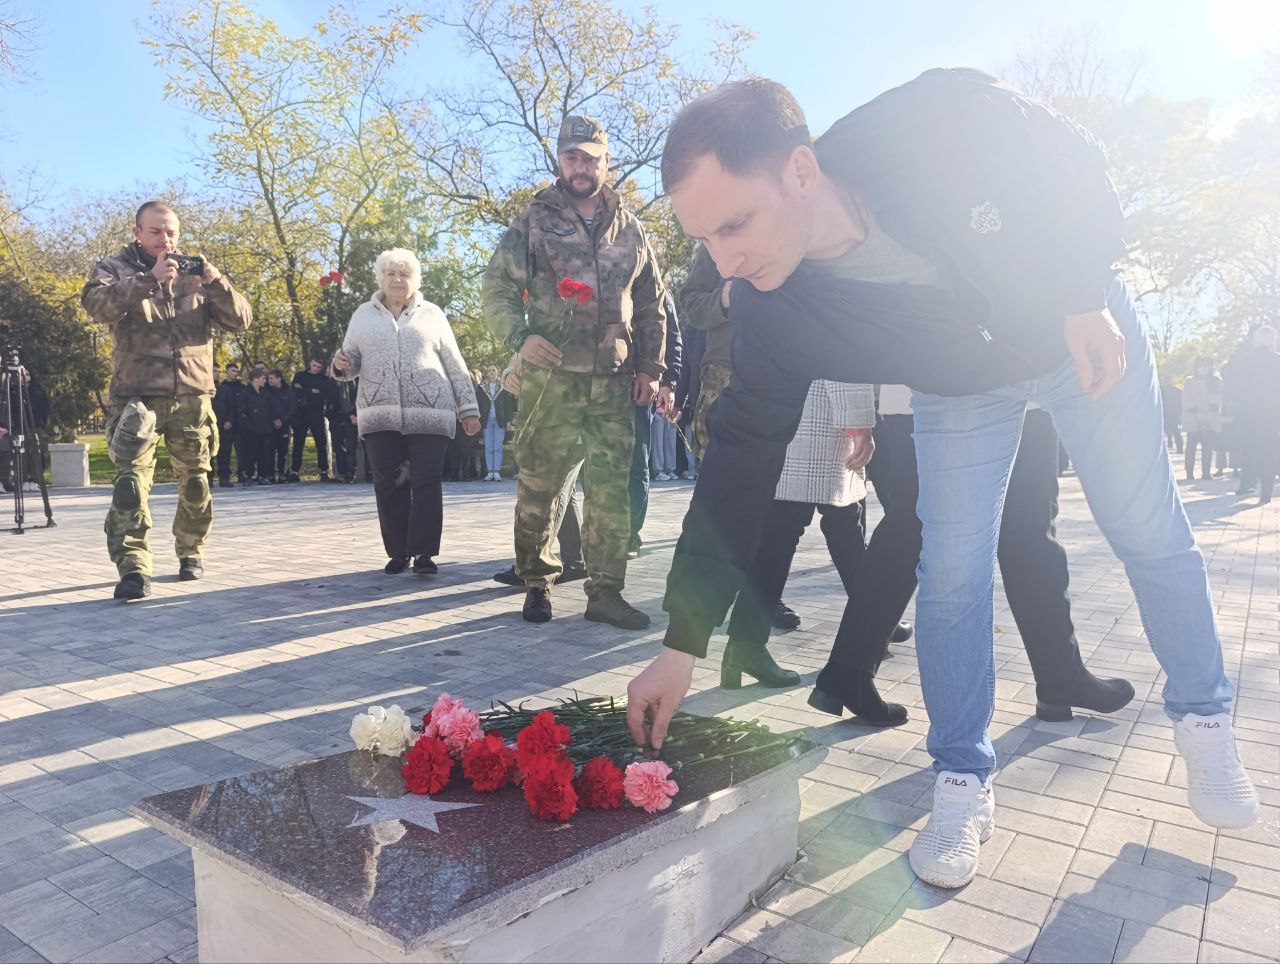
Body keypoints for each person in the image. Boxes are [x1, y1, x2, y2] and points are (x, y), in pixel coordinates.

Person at [626, 74, 1257, 891]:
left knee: (1141, 523)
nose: (727, 262)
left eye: (736, 224)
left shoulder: (934, 118)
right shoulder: (769, 307)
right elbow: (742, 457)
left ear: (802, 171)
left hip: (1075, 328)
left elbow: (1067, 161)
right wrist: (682, 643)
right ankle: (961, 777)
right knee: (951, 572)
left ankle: (1204, 720)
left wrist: (1078, 292)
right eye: (704, 239)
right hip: (965, 386)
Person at [811, 389, 1135, 726]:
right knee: (1027, 533)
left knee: (911, 526)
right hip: (997, 382)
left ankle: (848, 670)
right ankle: (1060, 676)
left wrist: (859, 414)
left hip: (927, 386)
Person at [482, 114, 667, 628]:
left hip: (612, 381)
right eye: (571, 157)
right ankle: (537, 583)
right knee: (540, 485)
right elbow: (495, 286)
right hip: (552, 380)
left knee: (610, 489)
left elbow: (653, 302)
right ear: (559, 160)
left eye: (590, 158)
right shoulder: (535, 220)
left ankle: (605, 592)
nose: (581, 167)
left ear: (607, 162)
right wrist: (520, 338)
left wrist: (651, 369)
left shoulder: (630, 228)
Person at [81, 200, 252, 599]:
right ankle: (134, 569)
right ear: (137, 233)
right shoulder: (115, 269)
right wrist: (148, 280)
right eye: (156, 231)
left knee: (196, 484)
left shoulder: (196, 274)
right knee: (130, 487)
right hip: (137, 399)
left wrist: (216, 280)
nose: (165, 239)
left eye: (171, 231)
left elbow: (241, 319)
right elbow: (95, 306)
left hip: (192, 397)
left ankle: (191, 551)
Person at [722, 380, 876, 691]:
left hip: (788, 410)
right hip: (820, 416)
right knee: (787, 532)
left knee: (783, 532)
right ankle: (873, 623)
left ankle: (744, 647)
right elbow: (843, 355)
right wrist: (860, 424)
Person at [333, 248, 480, 574]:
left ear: (415, 279)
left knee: (426, 481)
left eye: (404, 274)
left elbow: (456, 365)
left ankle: (424, 553)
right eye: (391, 273)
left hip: (430, 412)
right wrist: (340, 364)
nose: (397, 279)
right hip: (379, 412)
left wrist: (468, 409)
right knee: (389, 483)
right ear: (380, 278)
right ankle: (398, 552)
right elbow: (350, 361)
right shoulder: (362, 315)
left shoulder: (433, 314)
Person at [630, 292, 684, 558]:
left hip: (639, 386)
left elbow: (673, 338)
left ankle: (629, 535)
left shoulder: (659, 288)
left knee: (636, 464)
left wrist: (669, 383)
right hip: (599, 382)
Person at [1223, 325, 1280, 504]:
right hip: (1272, 413)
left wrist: (1231, 403)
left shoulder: (1244, 360)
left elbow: (1232, 382)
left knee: (1249, 449)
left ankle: (1247, 483)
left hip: (1248, 410)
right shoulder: (1277, 360)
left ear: (1255, 340)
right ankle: (1266, 491)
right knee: (1268, 451)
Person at [290, 357, 336, 482]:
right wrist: (311, 391)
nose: (316, 368)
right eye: (314, 365)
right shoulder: (300, 375)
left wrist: (304, 390)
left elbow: (323, 395)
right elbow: (295, 390)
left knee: (321, 443)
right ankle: (294, 470)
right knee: (298, 443)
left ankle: (324, 470)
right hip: (301, 414)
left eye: (318, 367)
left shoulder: (323, 379)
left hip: (316, 414)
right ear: (310, 364)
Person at [1182, 356, 1223, 481]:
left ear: (1210, 367)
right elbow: (1186, 398)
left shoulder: (1216, 381)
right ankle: (1189, 472)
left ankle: (1206, 472)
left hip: (1210, 419)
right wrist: (1196, 413)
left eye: (1206, 365)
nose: (1203, 368)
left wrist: (1211, 412)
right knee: (1191, 447)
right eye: (1200, 365)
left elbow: (1219, 397)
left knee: (1207, 447)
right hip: (1193, 418)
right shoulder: (1189, 381)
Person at [235, 371, 275, 484]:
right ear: (255, 379)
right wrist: (250, 426)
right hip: (251, 431)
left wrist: (269, 425)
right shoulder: (244, 394)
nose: (265, 381)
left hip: (265, 430)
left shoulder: (265, 394)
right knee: (250, 454)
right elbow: (242, 413)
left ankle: (263, 475)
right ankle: (248, 475)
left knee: (265, 454)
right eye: (263, 378)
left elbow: (270, 410)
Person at [478, 365, 516, 481]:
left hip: (500, 420)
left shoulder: (503, 387)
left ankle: (497, 472)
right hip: (487, 420)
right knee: (488, 446)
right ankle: (490, 472)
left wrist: (509, 420)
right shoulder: (482, 387)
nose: (491, 372)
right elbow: (478, 404)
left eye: (493, 370)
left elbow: (508, 405)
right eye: (489, 370)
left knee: (497, 447)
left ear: (498, 372)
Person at [212, 363, 245, 487]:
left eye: (218, 371)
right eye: (214, 371)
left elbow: (232, 407)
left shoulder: (224, 389)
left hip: (224, 426)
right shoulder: (203, 390)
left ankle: (224, 477)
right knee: (207, 454)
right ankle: (208, 478)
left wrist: (229, 421)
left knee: (224, 453)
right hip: (208, 426)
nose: (217, 373)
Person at [266, 369, 296, 482]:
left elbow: (292, 409)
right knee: (270, 450)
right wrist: (273, 420)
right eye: (268, 379)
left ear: (279, 378)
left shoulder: (288, 392)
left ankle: (283, 473)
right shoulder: (266, 392)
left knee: (283, 451)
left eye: (271, 378)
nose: (269, 381)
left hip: (284, 425)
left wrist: (282, 420)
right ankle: (270, 474)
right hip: (270, 425)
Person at [1159, 375, 1183, 454]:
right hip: (1165, 413)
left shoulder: (1177, 391)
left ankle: (1179, 448)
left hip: (1172, 413)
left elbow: (1181, 403)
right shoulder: (1161, 390)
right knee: (1163, 431)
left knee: (1175, 431)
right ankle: (1165, 447)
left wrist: (1180, 413)